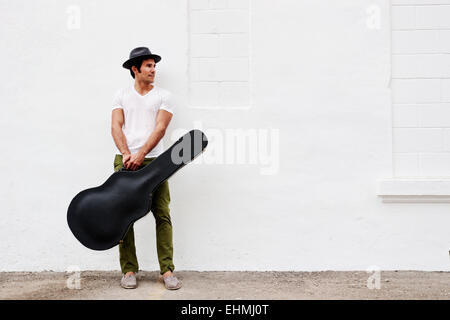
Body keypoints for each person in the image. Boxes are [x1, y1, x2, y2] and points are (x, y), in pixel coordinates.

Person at [111, 47, 181, 290]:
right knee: (124, 218)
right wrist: (127, 154)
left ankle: (167, 270)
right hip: (126, 160)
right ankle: (129, 270)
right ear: (135, 69)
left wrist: (140, 154)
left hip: (155, 162)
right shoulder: (121, 95)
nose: (153, 70)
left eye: (154, 66)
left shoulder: (164, 96)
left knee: (162, 214)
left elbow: (160, 128)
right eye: (148, 66)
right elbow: (116, 127)